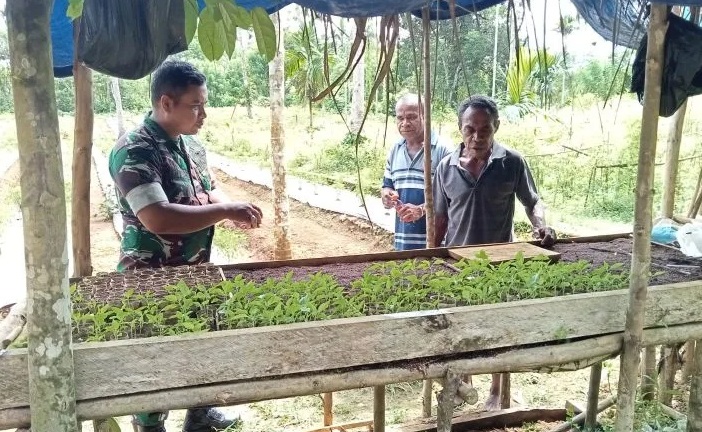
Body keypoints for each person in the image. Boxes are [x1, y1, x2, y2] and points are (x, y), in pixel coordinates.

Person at [109, 60, 262, 432]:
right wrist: (225, 210)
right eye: (196, 105)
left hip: (195, 270)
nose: (204, 114)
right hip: (151, 275)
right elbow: (157, 216)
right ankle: (150, 423)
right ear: (166, 103)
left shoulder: (190, 146)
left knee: (202, 340)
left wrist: (225, 203)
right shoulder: (135, 150)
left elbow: (209, 189)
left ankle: (200, 413)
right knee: (154, 353)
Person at [432, 95, 556, 410]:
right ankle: (465, 387)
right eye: (470, 129)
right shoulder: (445, 167)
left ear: (496, 127)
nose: (476, 137)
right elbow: (439, 218)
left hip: (502, 264)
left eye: (484, 129)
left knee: (500, 328)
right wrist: (431, 258)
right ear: (460, 129)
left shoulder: (511, 162)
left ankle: (498, 392)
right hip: (458, 264)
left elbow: (533, 202)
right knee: (461, 328)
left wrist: (542, 226)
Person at [380, 93, 452, 250]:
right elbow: (387, 185)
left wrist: (421, 209)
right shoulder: (395, 150)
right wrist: (387, 196)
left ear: (426, 116)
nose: (405, 123)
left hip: (437, 246)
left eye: (411, 117)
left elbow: (454, 199)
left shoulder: (443, 150)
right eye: (400, 118)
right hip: (403, 244)